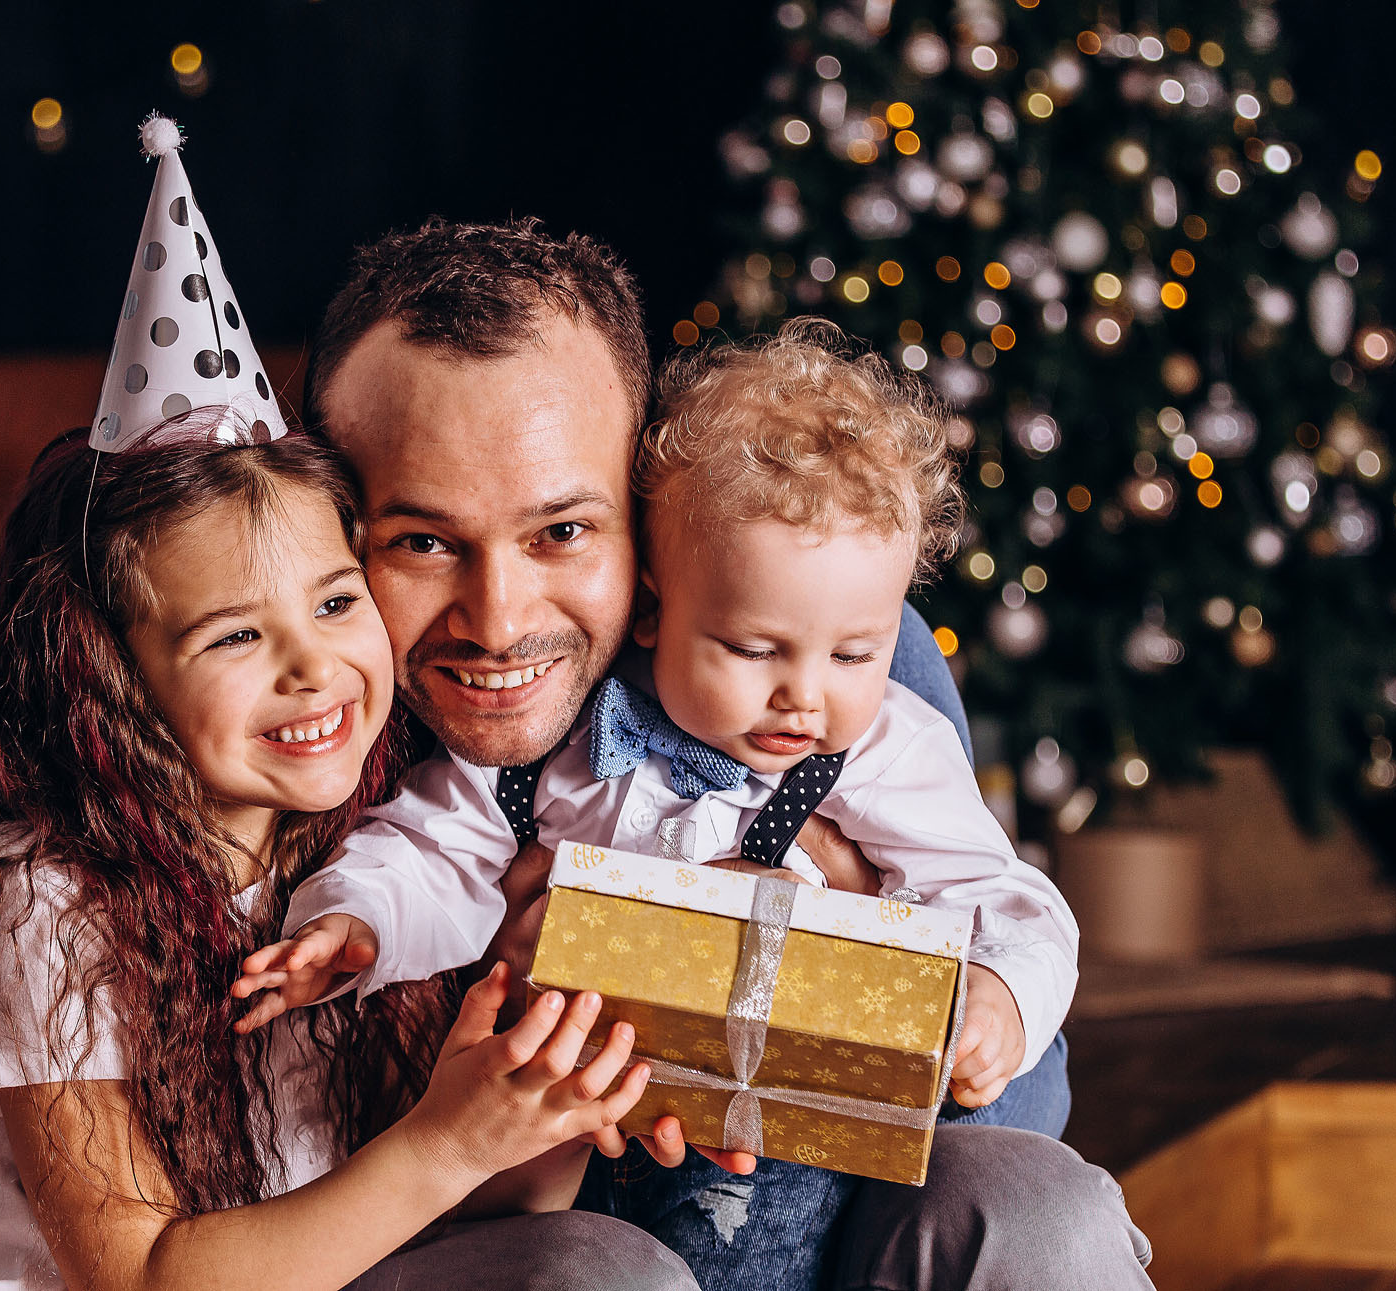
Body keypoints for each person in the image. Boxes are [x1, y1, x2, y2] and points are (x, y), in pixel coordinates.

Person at [277, 218, 1151, 1291]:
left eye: (561, 531)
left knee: (1038, 1205)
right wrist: (386, 934)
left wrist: (836, 950)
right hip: (504, 1226)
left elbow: (1019, 1079)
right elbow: (417, 859)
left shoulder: (849, 679)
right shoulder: (293, 709)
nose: (498, 621)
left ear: (640, 533)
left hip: (822, 1200)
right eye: (421, 540)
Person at [0, 428, 699, 1291]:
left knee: (604, 1267)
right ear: (109, 674)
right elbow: (142, 1276)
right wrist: (448, 1142)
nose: (313, 665)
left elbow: (402, 1226)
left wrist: (544, 1109)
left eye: (336, 603)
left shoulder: (367, 864)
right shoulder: (46, 907)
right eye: (236, 635)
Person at [239, 319, 1079, 1138]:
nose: (804, 695)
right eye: (753, 649)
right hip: (605, 1129)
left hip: (804, 1128)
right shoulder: (555, 738)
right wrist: (356, 926)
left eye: (857, 653)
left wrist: (1000, 992)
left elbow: (1002, 896)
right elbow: (427, 850)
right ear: (650, 608)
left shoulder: (883, 746)